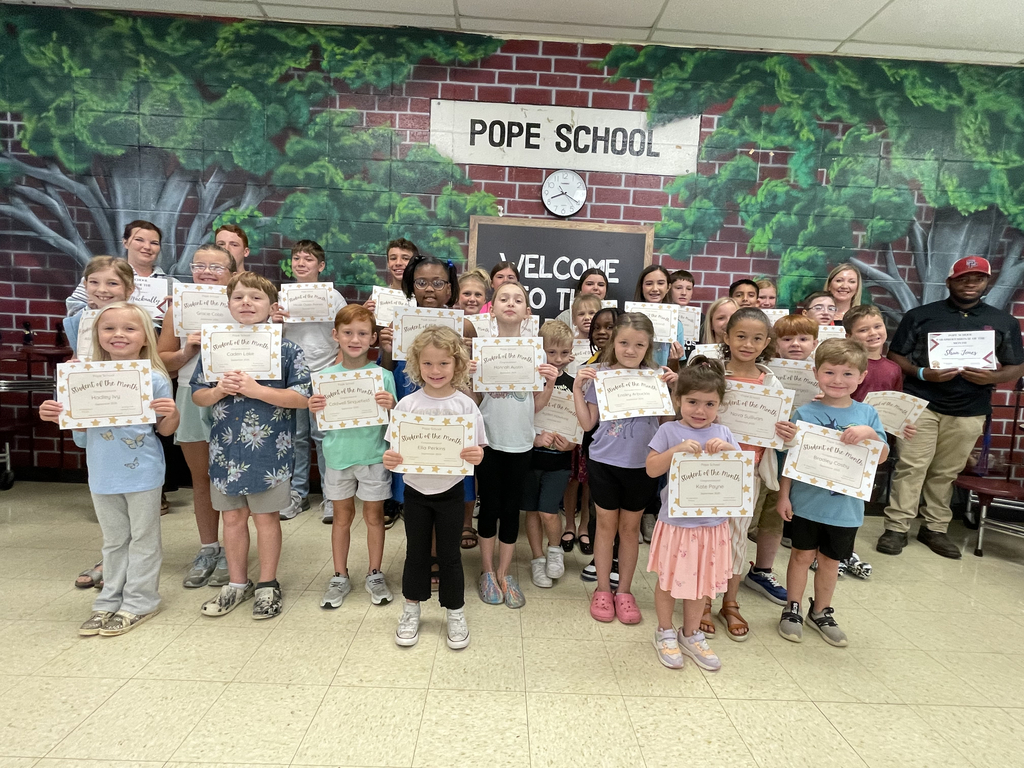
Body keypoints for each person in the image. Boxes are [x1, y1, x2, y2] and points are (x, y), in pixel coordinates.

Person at [40, 302, 180, 636]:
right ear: (97, 335)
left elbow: (164, 431)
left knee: (143, 539)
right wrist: (58, 415)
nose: (119, 334)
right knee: (114, 540)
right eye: (109, 328)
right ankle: (109, 599)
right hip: (102, 473)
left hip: (143, 472)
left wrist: (172, 413)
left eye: (129, 328)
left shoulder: (154, 378)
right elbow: (82, 437)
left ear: (145, 336)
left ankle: (141, 600)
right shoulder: (82, 378)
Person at [877, 256, 1024, 558]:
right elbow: (896, 355)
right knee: (911, 467)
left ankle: (935, 528)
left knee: (946, 472)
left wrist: (992, 377)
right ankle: (896, 528)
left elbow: (1016, 366)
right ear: (949, 282)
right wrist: (922, 373)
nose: (970, 284)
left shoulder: (1002, 322)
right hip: (922, 404)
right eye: (963, 278)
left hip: (970, 408)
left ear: (987, 282)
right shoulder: (921, 315)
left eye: (978, 278)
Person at [191, 272, 311, 619]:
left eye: (256, 297)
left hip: (270, 452)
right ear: (228, 304)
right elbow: (198, 395)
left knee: (266, 518)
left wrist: (257, 391)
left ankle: (268, 584)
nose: (246, 303)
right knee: (231, 518)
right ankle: (237, 583)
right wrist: (218, 391)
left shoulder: (287, 349)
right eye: (239, 297)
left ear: (272, 307)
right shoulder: (215, 346)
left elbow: (302, 397)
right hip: (225, 452)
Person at [778, 339, 888, 646]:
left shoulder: (867, 414)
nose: (837, 380)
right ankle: (792, 607)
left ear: (862, 376)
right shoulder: (804, 413)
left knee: (830, 561)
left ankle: (821, 611)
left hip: (846, 509)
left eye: (847, 374)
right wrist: (783, 495)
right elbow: (789, 459)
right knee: (800, 556)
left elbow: (881, 456)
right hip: (805, 503)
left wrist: (869, 434)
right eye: (829, 372)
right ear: (816, 373)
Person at [384, 326, 486, 649]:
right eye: (427, 363)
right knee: (415, 553)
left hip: (451, 492)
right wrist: (390, 459)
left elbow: (479, 450)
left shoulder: (466, 406)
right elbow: (394, 451)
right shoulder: (407, 405)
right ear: (416, 364)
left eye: (443, 363)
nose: (435, 370)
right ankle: (411, 609)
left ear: (457, 364)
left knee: (450, 554)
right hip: (415, 492)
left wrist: (477, 454)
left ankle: (455, 611)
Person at [574, 312, 677, 624]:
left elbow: (666, 425)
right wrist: (578, 389)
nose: (630, 350)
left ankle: (625, 591)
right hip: (604, 462)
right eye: (624, 343)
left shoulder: (657, 377)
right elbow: (588, 424)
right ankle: (603, 589)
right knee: (605, 527)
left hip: (642, 465)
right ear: (613, 342)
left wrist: (672, 391)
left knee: (630, 530)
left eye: (639, 345)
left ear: (649, 347)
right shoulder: (600, 376)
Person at [379, 254, 478, 568]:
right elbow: (387, 371)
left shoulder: (464, 325)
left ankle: (441, 554)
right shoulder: (398, 323)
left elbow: (474, 376)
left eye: (438, 282)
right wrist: (385, 349)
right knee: (418, 484)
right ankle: (424, 554)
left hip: (451, 412)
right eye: (422, 282)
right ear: (412, 286)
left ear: (450, 288)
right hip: (413, 409)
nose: (430, 289)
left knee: (449, 481)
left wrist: (471, 351)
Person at [646, 357, 736, 670]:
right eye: (692, 402)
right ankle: (664, 631)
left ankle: (691, 633)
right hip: (676, 524)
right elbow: (651, 468)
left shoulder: (724, 432)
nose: (700, 410)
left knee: (701, 583)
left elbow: (739, 474)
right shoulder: (669, 431)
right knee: (668, 580)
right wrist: (675, 451)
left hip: (712, 526)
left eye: (710, 404)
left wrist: (728, 451)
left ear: (720, 404)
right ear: (678, 400)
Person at [157, 244, 238, 589]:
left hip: (235, 396)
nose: (206, 272)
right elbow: (162, 360)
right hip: (192, 393)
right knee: (201, 477)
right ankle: (208, 548)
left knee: (232, 478)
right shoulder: (178, 306)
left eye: (216, 268)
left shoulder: (243, 303)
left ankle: (233, 549)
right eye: (199, 265)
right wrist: (186, 351)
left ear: (232, 274)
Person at [712, 307, 796, 640]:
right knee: (706, 537)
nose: (748, 344)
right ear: (726, 337)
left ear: (766, 342)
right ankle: (702, 600)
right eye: (741, 336)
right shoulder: (712, 372)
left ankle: (730, 602)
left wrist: (786, 432)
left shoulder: (771, 383)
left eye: (757, 338)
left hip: (748, 473)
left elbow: (781, 432)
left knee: (736, 538)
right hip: (709, 469)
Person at [472, 282, 557, 607]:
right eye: (504, 299)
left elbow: (535, 406)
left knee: (511, 510)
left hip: (521, 443)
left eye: (517, 300)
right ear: (492, 309)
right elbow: (475, 402)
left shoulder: (535, 351)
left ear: (527, 312)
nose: (510, 303)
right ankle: (487, 571)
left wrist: (550, 382)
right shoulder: (481, 350)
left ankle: (505, 572)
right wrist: (468, 377)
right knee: (489, 507)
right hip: (489, 443)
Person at [308, 304, 397, 608]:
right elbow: (321, 418)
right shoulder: (324, 378)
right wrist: (314, 408)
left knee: (374, 517)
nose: (355, 339)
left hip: (373, 456)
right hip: (338, 456)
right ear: (336, 335)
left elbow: (395, 421)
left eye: (362, 333)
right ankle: (339, 574)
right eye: (348, 332)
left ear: (373, 338)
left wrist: (392, 406)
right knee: (341, 517)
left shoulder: (383, 376)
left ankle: (375, 572)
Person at [272, 240, 347, 521]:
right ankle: (297, 494)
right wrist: (275, 321)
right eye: (296, 258)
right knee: (296, 437)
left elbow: (345, 332)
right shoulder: (282, 297)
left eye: (308, 259)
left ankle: (331, 495)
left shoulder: (334, 297)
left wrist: (336, 366)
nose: (301, 263)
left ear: (321, 266)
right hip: (292, 376)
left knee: (324, 437)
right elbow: (272, 338)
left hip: (324, 371)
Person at [745, 314, 819, 575]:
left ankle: (763, 571)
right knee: (748, 515)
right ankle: (728, 573)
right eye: (787, 339)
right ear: (775, 343)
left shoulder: (823, 377)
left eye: (803, 339)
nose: (795, 344)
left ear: (815, 343)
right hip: (763, 455)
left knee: (775, 517)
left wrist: (824, 400)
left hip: (793, 460)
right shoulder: (764, 373)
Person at [523, 320, 577, 588]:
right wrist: (534, 439)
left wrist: (572, 444)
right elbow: (520, 418)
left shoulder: (574, 384)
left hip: (559, 462)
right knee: (532, 511)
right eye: (551, 352)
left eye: (564, 353)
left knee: (548, 511)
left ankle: (554, 550)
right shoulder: (528, 380)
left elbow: (579, 423)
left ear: (571, 353)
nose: (557, 359)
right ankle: (537, 558)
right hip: (530, 459)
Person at [66, 220, 168, 318]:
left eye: (154, 243)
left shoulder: (171, 284)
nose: (147, 247)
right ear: (125, 243)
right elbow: (73, 314)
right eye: (139, 240)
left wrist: (175, 311)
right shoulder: (97, 277)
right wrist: (91, 310)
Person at [844, 305, 903, 398]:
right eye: (863, 330)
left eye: (877, 326)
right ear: (849, 336)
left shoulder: (894, 369)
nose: (873, 333)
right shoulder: (845, 364)